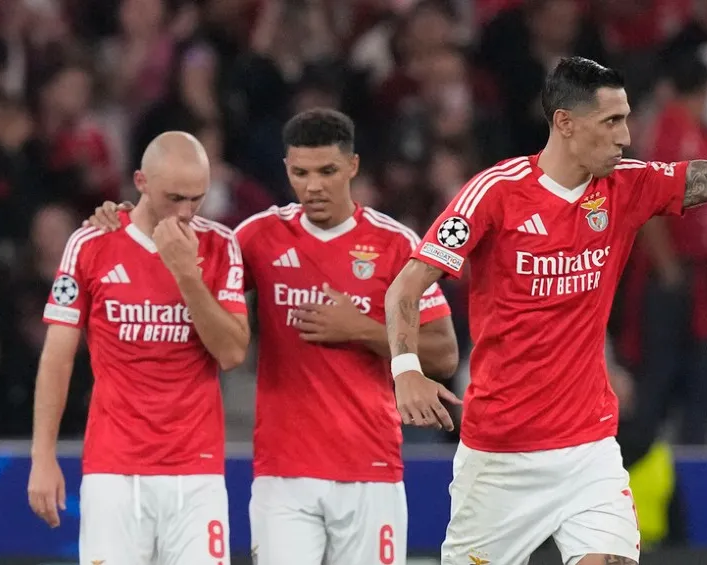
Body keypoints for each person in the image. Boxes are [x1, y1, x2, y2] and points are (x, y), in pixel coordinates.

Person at [385, 33, 707, 565]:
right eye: (611, 122)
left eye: (626, 119)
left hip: (588, 452)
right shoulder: (495, 192)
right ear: (565, 123)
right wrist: (406, 369)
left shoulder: (629, 185)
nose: (625, 136)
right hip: (500, 456)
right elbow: (407, 285)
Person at [85, 108, 460, 565]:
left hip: (371, 466)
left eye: (327, 171)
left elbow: (444, 353)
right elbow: (183, 258)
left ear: (353, 166)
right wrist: (132, 217)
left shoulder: (394, 244)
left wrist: (359, 329)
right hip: (283, 474)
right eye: (300, 173)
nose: (313, 186)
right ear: (286, 169)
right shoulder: (258, 237)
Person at [27, 131, 250, 565]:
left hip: (196, 470)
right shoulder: (91, 243)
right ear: (141, 182)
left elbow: (231, 353)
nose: (186, 212)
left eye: (197, 199)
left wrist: (187, 275)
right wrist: (43, 456)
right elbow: (57, 357)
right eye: (174, 198)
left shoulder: (220, 245)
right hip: (113, 470)